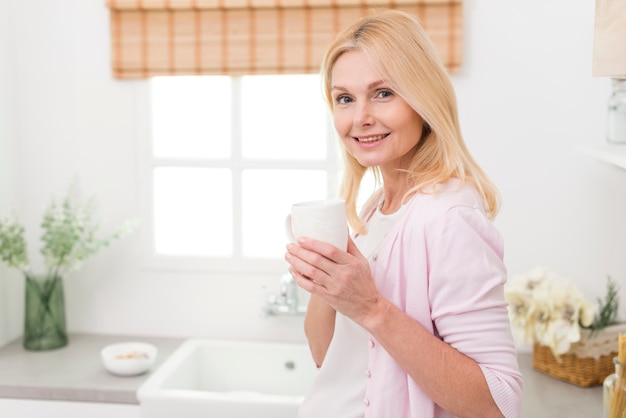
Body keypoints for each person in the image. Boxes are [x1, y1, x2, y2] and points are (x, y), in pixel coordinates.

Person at [283, 9, 523, 418]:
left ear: (422, 97)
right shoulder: (375, 208)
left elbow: (498, 404)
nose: (360, 118)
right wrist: (326, 280)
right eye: (345, 98)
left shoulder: (448, 218)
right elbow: (328, 359)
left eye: (383, 93)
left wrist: (371, 308)